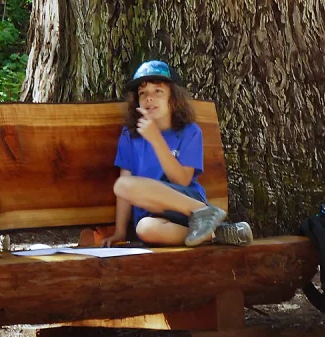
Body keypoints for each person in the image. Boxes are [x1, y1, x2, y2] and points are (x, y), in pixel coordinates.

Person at [102, 59, 253, 247]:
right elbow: (126, 186)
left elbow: (181, 180)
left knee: (125, 185)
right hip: (154, 216)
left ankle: (203, 212)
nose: (149, 98)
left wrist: (156, 139)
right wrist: (120, 232)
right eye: (143, 93)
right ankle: (215, 234)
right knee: (144, 226)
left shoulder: (190, 132)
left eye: (158, 91)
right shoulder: (130, 135)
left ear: (173, 98)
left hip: (185, 204)